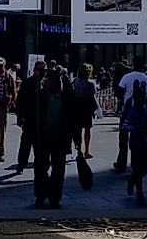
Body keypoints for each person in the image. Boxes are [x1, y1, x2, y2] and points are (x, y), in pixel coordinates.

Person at [31, 68, 78, 209]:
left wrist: (76, 141)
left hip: (60, 139)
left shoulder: (67, 98)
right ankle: (40, 195)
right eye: (47, 79)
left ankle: (54, 198)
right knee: (40, 169)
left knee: (58, 171)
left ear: (58, 81)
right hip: (42, 139)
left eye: (52, 80)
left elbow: (72, 121)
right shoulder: (39, 96)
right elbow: (31, 118)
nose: (49, 82)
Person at [113, 56, 147, 173]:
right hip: (141, 110)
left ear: (134, 64)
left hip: (128, 110)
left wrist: (125, 100)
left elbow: (119, 92)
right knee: (141, 138)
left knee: (123, 138)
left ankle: (122, 163)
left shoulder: (127, 77)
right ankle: (140, 163)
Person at [15, 60, 48, 175]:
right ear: (34, 70)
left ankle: (40, 167)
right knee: (25, 144)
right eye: (40, 69)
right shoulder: (27, 83)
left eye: (44, 70)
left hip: (42, 120)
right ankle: (21, 164)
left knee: (41, 147)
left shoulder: (46, 83)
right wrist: (19, 116)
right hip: (29, 119)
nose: (42, 72)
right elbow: (20, 102)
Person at [122, 80, 147, 207]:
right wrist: (137, 127)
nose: (144, 98)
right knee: (138, 169)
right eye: (141, 96)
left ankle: (132, 180)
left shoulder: (144, 109)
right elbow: (125, 127)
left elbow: (146, 122)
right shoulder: (133, 112)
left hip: (143, 142)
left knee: (145, 168)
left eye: (144, 96)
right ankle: (140, 196)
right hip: (135, 144)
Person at [71, 64, 100, 159]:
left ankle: (79, 148)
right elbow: (94, 94)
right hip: (87, 107)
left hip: (76, 107)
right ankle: (87, 150)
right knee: (87, 129)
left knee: (77, 129)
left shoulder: (75, 80)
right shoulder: (91, 83)